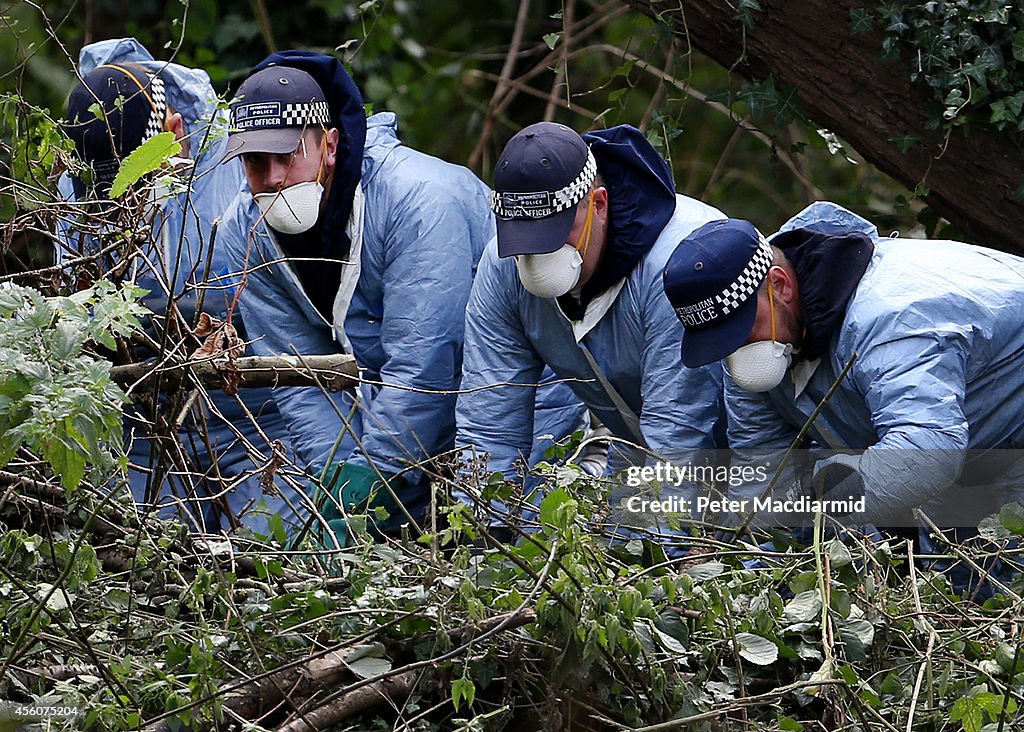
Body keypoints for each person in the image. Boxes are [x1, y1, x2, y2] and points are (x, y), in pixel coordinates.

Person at [218, 51, 581, 545]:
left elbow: (425, 359)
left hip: (521, 400)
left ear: (329, 145)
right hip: (403, 419)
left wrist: (374, 473)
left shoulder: (419, 200)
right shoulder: (246, 228)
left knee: (511, 548)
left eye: (286, 156)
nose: (273, 177)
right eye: (255, 163)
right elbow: (299, 374)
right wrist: (339, 477)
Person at [663, 201, 1024, 593]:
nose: (736, 351)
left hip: (998, 432)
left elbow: (928, 452)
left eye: (740, 330)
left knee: (1002, 586)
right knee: (959, 580)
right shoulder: (757, 346)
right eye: (722, 341)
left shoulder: (891, 320)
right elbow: (764, 470)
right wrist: (750, 577)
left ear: (780, 285)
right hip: (974, 444)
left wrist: (816, 495)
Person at [57, 38, 296, 535]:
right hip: (141, 418)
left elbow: (287, 306)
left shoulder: (239, 164)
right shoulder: (77, 184)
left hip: (252, 413)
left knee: (271, 559)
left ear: (175, 133)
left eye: (137, 184)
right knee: (147, 570)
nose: (124, 204)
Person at [454, 121, 727, 547]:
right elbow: (490, 419)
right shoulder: (503, 267)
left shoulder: (680, 262)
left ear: (598, 204)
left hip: (746, 460)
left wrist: (641, 552)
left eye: (550, 234)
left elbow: (677, 427)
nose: (537, 254)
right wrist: (479, 535)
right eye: (525, 237)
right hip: (637, 448)